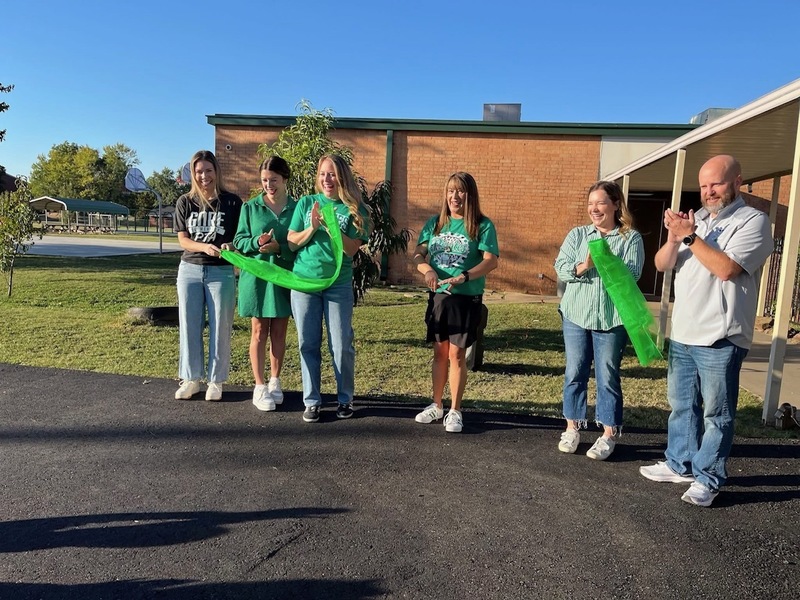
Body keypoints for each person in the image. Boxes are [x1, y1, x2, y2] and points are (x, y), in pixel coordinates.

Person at [640, 154, 773, 507]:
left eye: (716, 183)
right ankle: (679, 463)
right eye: (703, 185)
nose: (708, 191)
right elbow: (661, 265)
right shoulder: (695, 220)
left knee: (717, 412)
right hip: (684, 331)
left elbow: (727, 269)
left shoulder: (754, 221)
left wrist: (690, 238)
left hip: (721, 336)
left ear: (737, 181)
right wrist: (673, 238)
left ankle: (708, 477)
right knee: (682, 405)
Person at [553, 181, 644, 460]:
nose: (594, 208)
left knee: (607, 377)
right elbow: (561, 268)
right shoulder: (578, 235)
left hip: (611, 320)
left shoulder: (631, 238)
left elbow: (633, 275)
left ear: (616, 204)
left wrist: (604, 258)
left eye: (601, 202)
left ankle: (607, 434)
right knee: (574, 372)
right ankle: (572, 427)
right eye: (591, 203)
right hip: (576, 315)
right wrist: (585, 265)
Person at [412, 172, 499, 433]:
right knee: (439, 352)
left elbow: (491, 260)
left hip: (466, 296)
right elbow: (418, 253)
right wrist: (426, 270)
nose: (455, 196)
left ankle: (455, 410)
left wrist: (466, 276)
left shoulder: (482, 225)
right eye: (451, 191)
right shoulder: (435, 223)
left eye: (461, 191)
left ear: (470, 195)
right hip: (439, 297)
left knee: (457, 354)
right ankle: (436, 405)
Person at [287, 154, 370, 423]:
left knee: (341, 344)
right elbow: (291, 243)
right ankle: (312, 401)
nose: (327, 179)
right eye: (323, 174)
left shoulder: (355, 209)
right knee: (307, 343)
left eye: (332, 174)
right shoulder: (306, 204)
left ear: (342, 177)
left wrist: (332, 227)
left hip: (337, 285)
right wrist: (312, 227)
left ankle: (344, 399)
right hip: (304, 284)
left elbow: (351, 250)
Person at [173, 150, 242, 401]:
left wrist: (230, 246)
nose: (204, 176)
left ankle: (216, 381)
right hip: (190, 270)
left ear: (216, 171)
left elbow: (239, 237)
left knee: (220, 326)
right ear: (193, 173)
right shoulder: (185, 202)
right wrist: (204, 247)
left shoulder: (232, 202)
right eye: (199, 171)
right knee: (190, 326)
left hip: (221, 273)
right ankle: (191, 379)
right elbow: (183, 240)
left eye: (208, 170)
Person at [233, 156, 297, 412]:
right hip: (257, 278)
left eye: (273, 180)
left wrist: (280, 248)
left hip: (283, 276)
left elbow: (300, 244)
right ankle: (259, 386)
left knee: (280, 332)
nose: (268, 185)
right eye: (264, 180)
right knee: (259, 332)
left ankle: (274, 381)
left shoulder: (297, 208)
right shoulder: (250, 207)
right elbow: (239, 241)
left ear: (285, 179)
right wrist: (256, 243)